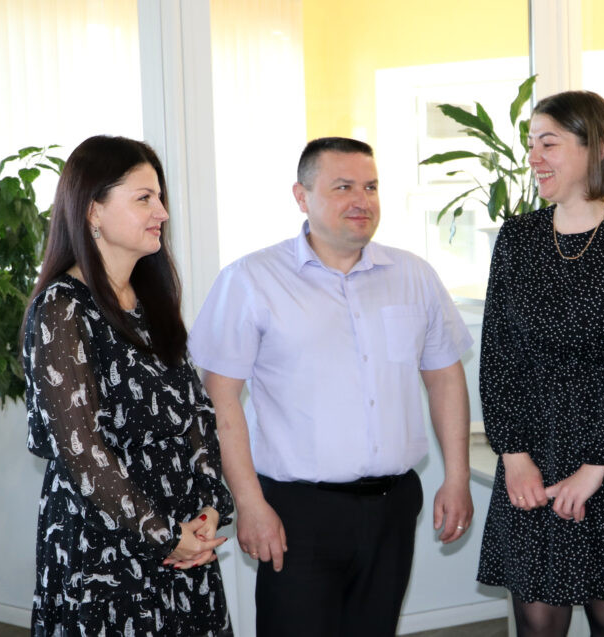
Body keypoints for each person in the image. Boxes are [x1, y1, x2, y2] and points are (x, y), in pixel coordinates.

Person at [188, 136, 475, 636]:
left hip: (392, 505)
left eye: (371, 187)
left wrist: (456, 477)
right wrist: (250, 505)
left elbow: (445, 378)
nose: (362, 200)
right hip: (296, 511)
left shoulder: (414, 275)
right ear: (301, 197)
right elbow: (219, 399)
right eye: (343, 187)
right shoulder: (251, 279)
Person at [476, 90, 604, 637]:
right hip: (532, 456)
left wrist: (595, 467)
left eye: (549, 143)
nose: (534, 157)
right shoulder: (517, 238)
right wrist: (514, 455)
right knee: (537, 623)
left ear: (596, 149)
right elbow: (498, 357)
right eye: (531, 144)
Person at [22, 135, 235, 636]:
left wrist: (209, 506)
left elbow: (195, 414)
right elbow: (81, 451)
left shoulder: (151, 298)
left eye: (160, 197)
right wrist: (163, 534)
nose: (162, 212)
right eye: (144, 198)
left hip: (183, 537)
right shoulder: (62, 308)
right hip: (106, 548)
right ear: (93, 210)